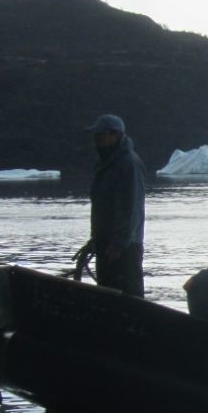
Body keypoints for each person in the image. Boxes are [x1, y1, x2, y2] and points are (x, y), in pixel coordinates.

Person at [76, 114, 146, 297]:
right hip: (106, 245)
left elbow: (130, 208)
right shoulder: (106, 165)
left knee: (129, 298)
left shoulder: (128, 164)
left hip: (124, 248)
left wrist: (119, 243)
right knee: (108, 296)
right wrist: (95, 240)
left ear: (115, 135)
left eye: (100, 136)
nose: (96, 141)